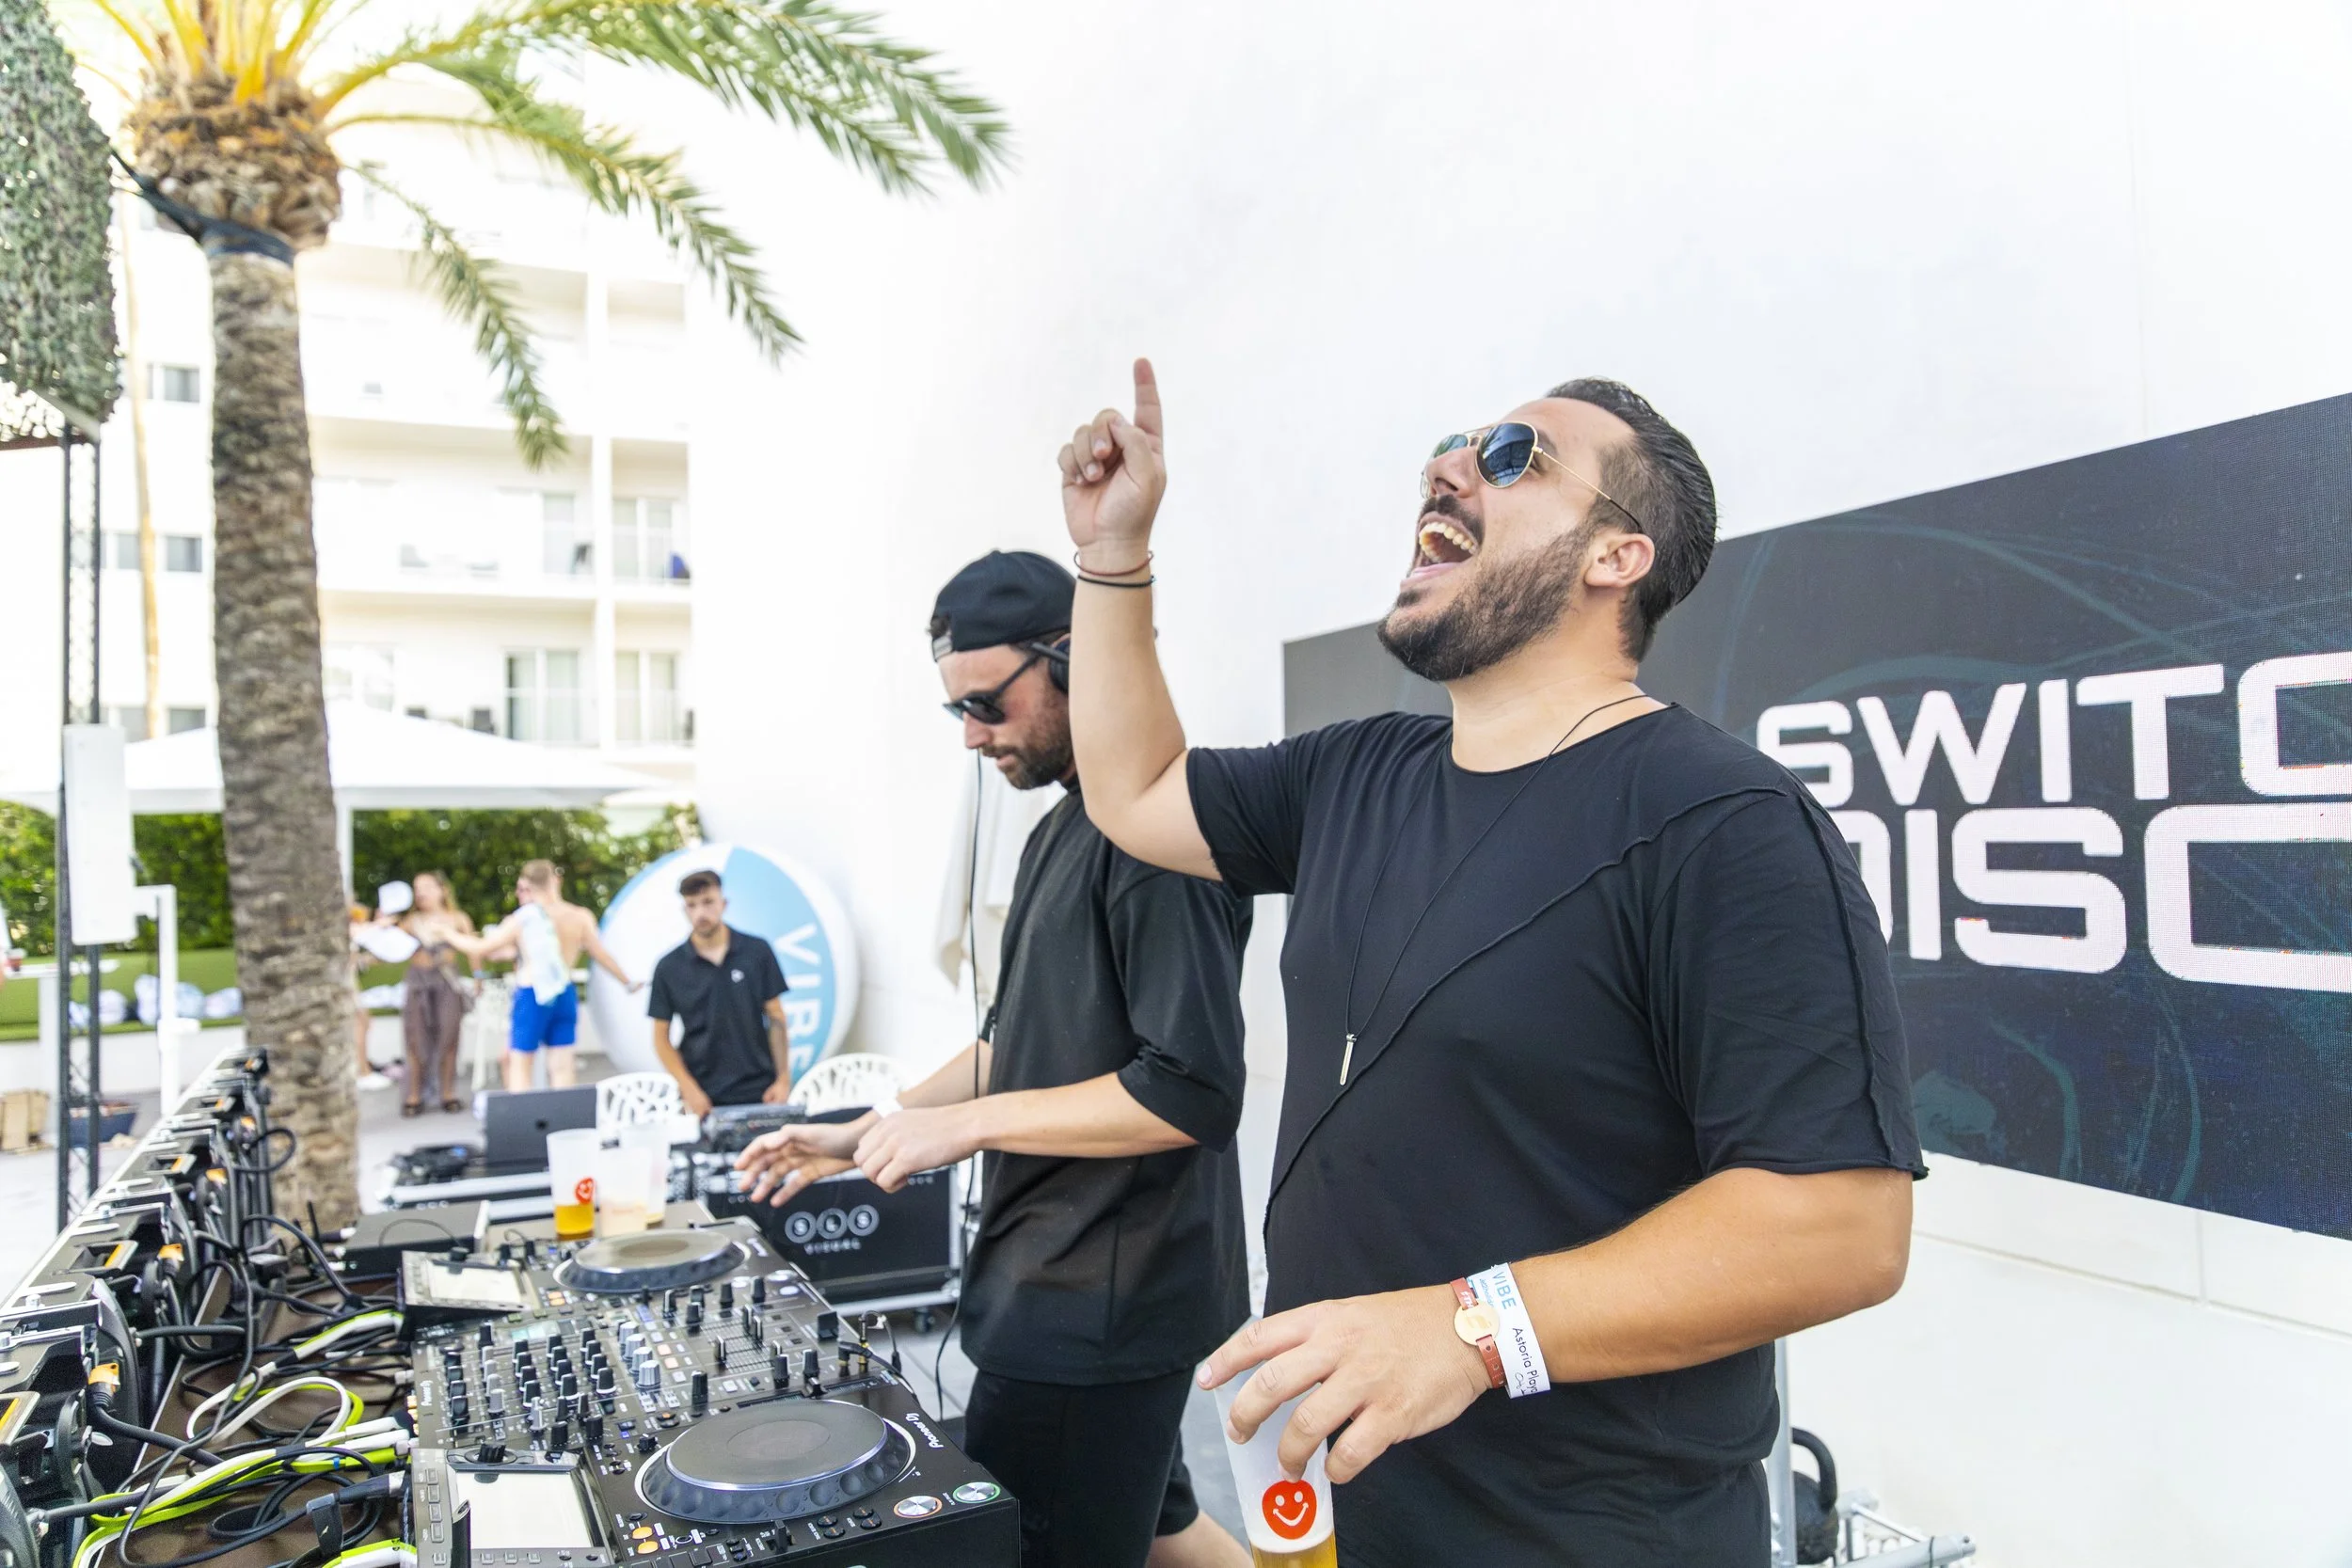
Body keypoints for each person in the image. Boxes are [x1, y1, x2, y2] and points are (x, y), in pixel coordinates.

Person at [1056, 361, 1924, 1566]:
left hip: (1581, 1537)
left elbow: (1841, 1224)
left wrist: (1476, 1328)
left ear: (1615, 556)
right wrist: (1112, 556)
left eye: (1514, 456)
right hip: (1341, 1502)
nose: (1448, 464)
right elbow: (1136, 789)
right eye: (1454, 441)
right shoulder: (1357, 773)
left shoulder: (1723, 821)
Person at [735, 550, 1254, 1568]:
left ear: (1073, 659)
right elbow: (1010, 1045)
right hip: (1063, 1290)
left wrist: (965, 1127)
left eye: (986, 704)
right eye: (956, 712)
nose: (972, 736)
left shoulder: (1160, 839)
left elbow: (1190, 1089)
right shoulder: (1060, 830)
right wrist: (866, 1129)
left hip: (1096, 1304)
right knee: (1166, 1530)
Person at [453, 860, 641, 1091]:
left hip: (532, 993)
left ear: (528, 885)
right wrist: (628, 982)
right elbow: (601, 955)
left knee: (521, 1064)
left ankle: (523, 1113)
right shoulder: (579, 916)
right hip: (564, 992)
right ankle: (563, 1113)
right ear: (556, 880)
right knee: (562, 1065)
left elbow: (480, 948)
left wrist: (447, 934)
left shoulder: (524, 918)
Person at [645, 869, 793, 1116]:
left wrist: (783, 1079)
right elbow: (660, 1038)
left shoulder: (757, 952)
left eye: (708, 902)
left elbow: (776, 1017)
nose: (700, 913)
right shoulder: (669, 967)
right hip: (703, 1094)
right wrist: (688, 1088)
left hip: (761, 1089)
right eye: (692, 905)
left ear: (723, 904)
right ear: (684, 910)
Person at [398, 871, 476, 1117]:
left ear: (442, 890)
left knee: (449, 1036)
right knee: (415, 1038)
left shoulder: (458, 919)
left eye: (427, 887)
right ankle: (414, 1094)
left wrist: (478, 977)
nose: (421, 893)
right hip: (418, 984)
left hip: (447, 982)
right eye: (417, 888)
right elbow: (392, 948)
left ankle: (448, 1093)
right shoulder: (411, 922)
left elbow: (474, 950)